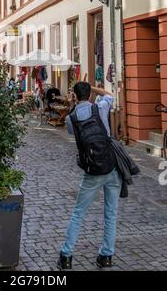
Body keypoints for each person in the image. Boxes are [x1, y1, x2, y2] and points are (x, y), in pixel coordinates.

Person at [58, 82, 121, 271]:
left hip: (92, 170)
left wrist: (72, 104)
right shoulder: (100, 107)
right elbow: (109, 94)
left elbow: (71, 129)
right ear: (90, 94)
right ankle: (106, 256)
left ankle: (66, 257)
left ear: (75, 96)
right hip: (111, 167)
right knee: (111, 213)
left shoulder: (72, 117)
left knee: (78, 213)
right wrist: (93, 88)